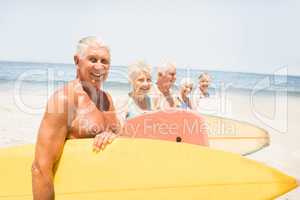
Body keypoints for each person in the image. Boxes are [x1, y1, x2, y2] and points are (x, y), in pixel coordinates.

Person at [31, 36, 120, 200]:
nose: (99, 66)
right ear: (77, 61)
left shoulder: (106, 99)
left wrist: (112, 136)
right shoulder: (64, 100)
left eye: (104, 61)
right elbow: (40, 168)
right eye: (93, 59)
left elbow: (122, 140)